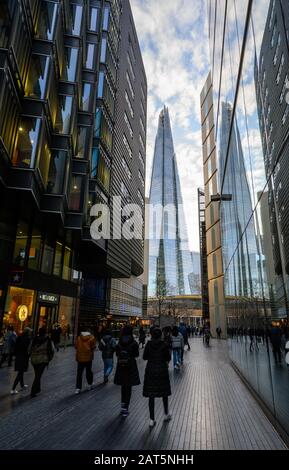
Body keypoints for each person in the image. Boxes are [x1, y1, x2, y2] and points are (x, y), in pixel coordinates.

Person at [143, 327, 172, 428]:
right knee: (164, 393)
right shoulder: (164, 345)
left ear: (152, 335)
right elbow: (168, 357)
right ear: (160, 335)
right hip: (162, 370)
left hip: (151, 370)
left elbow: (144, 357)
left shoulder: (149, 344)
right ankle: (166, 413)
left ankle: (152, 419)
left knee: (151, 395)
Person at [114, 325, 140, 416]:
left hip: (121, 366)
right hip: (130, 366)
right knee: (128, 387)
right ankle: (126, 407)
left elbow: (117, 353)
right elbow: (137, 354)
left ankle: (122, 405)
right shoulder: (134, 343)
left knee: (123, 386)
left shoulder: (119, 342)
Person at [30, 327, 54, 398]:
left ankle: (38, 389)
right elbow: (52, 350)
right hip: (43, 359)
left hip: (34, 359)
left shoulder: (34, 339)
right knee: (38, 375)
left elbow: (29, 348)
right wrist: (49, 358)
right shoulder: (47, 340)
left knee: (37, 374)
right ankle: (33, 391)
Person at [11, 327, 32, 395]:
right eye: (29, 332)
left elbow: (15, 346)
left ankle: (22, 385)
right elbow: (28, 349)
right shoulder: (28, 339)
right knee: (20, 373)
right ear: (28, 332)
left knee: (21, 371)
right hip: (24, 356)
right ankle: (13, 389)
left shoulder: (19, 337)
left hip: (18, 356)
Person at [75, 328, 96, 394]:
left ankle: (78, 388)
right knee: (88, 371)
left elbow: (76, 346)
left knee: (79, 373)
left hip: (80, 358)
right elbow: (93, 347)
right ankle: (90, 384)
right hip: (88, 357)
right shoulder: (92, 338)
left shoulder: (79, 338)